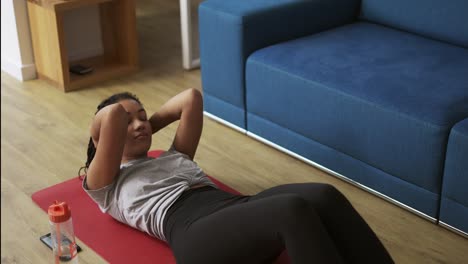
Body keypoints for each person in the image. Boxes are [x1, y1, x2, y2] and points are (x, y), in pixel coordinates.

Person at [80, 88, 394, 264]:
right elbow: (111, 116)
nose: (138, 124)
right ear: (106, 137)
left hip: (233, 209)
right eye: (127, 122)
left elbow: (191, 98)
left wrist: (141, 129)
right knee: (290, 209)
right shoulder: (106, 185)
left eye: (143, 117)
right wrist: (122, 133)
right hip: (193, 233)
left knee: (323, 195)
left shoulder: (174, 156)